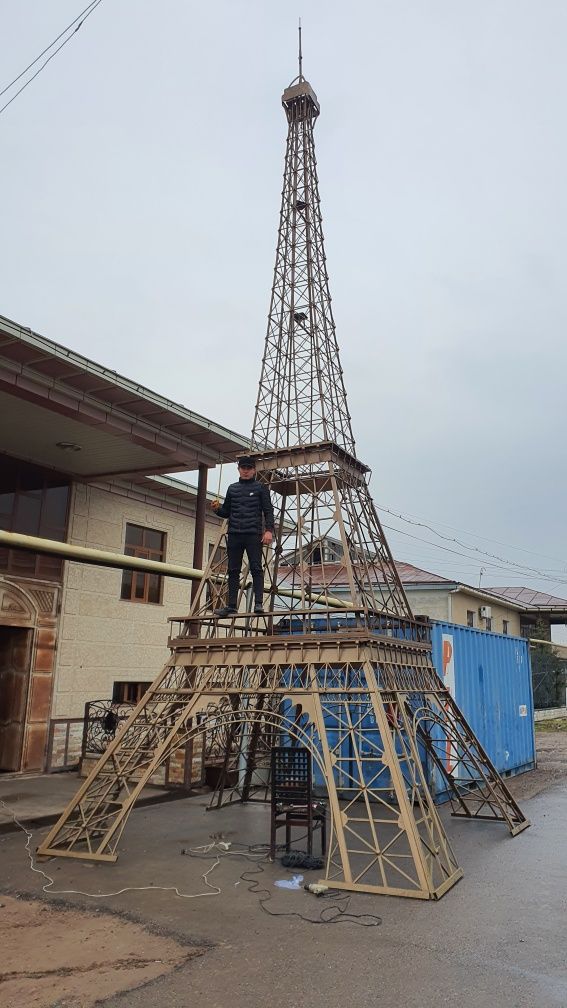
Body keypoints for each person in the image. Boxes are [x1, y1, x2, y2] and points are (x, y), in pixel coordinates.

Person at [210, 456, 275, 616]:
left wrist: (268, 530)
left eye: (249, 468)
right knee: (232, 570)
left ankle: (258, 603)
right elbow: (226, 511)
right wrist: (217, 509)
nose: (245, 471)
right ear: (239, 469)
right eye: (243, 468)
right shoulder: (232, 488)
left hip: (253, 534)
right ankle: (231, 605)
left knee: (256, 568)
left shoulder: (261, 488)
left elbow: (268, 511)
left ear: (254, 470)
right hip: (234, 534)